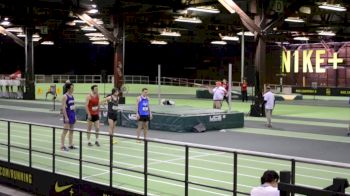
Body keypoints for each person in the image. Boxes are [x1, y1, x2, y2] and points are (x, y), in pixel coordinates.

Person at [60, 83, 77, 151]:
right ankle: (62, 146)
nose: (73, 89)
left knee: (71, 131)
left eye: (73, 88)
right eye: (72, 88)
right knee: (65, 131)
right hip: (67, 115)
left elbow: (73, 107)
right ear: (68, 88)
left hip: (72, 114)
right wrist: (66, 117)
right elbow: (63, 108)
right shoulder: (65, 96)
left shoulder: (72, 96)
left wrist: (75, 116)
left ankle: (70, 144)